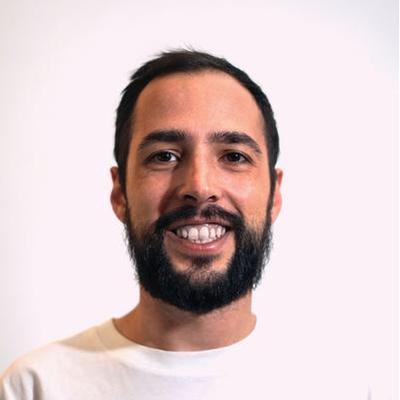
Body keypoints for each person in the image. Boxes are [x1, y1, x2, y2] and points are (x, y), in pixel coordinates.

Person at [0, 49, 283, 400]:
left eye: (234, 156)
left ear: (274, 195)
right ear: (120, 193)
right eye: (164, 156)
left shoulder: (338, 383)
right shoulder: (34, 387)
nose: (199, 187)